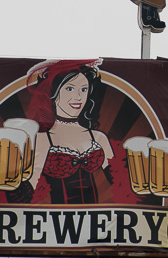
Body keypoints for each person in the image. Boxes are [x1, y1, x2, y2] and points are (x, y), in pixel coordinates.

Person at [27, 59, 115, 204]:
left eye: (84, 89)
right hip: (58, 222)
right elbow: (29, 191)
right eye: (70, 88)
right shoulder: (44, 139)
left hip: (95, 221)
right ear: (54, 93)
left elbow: (121, 184)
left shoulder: (98, 137)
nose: (78, 97)